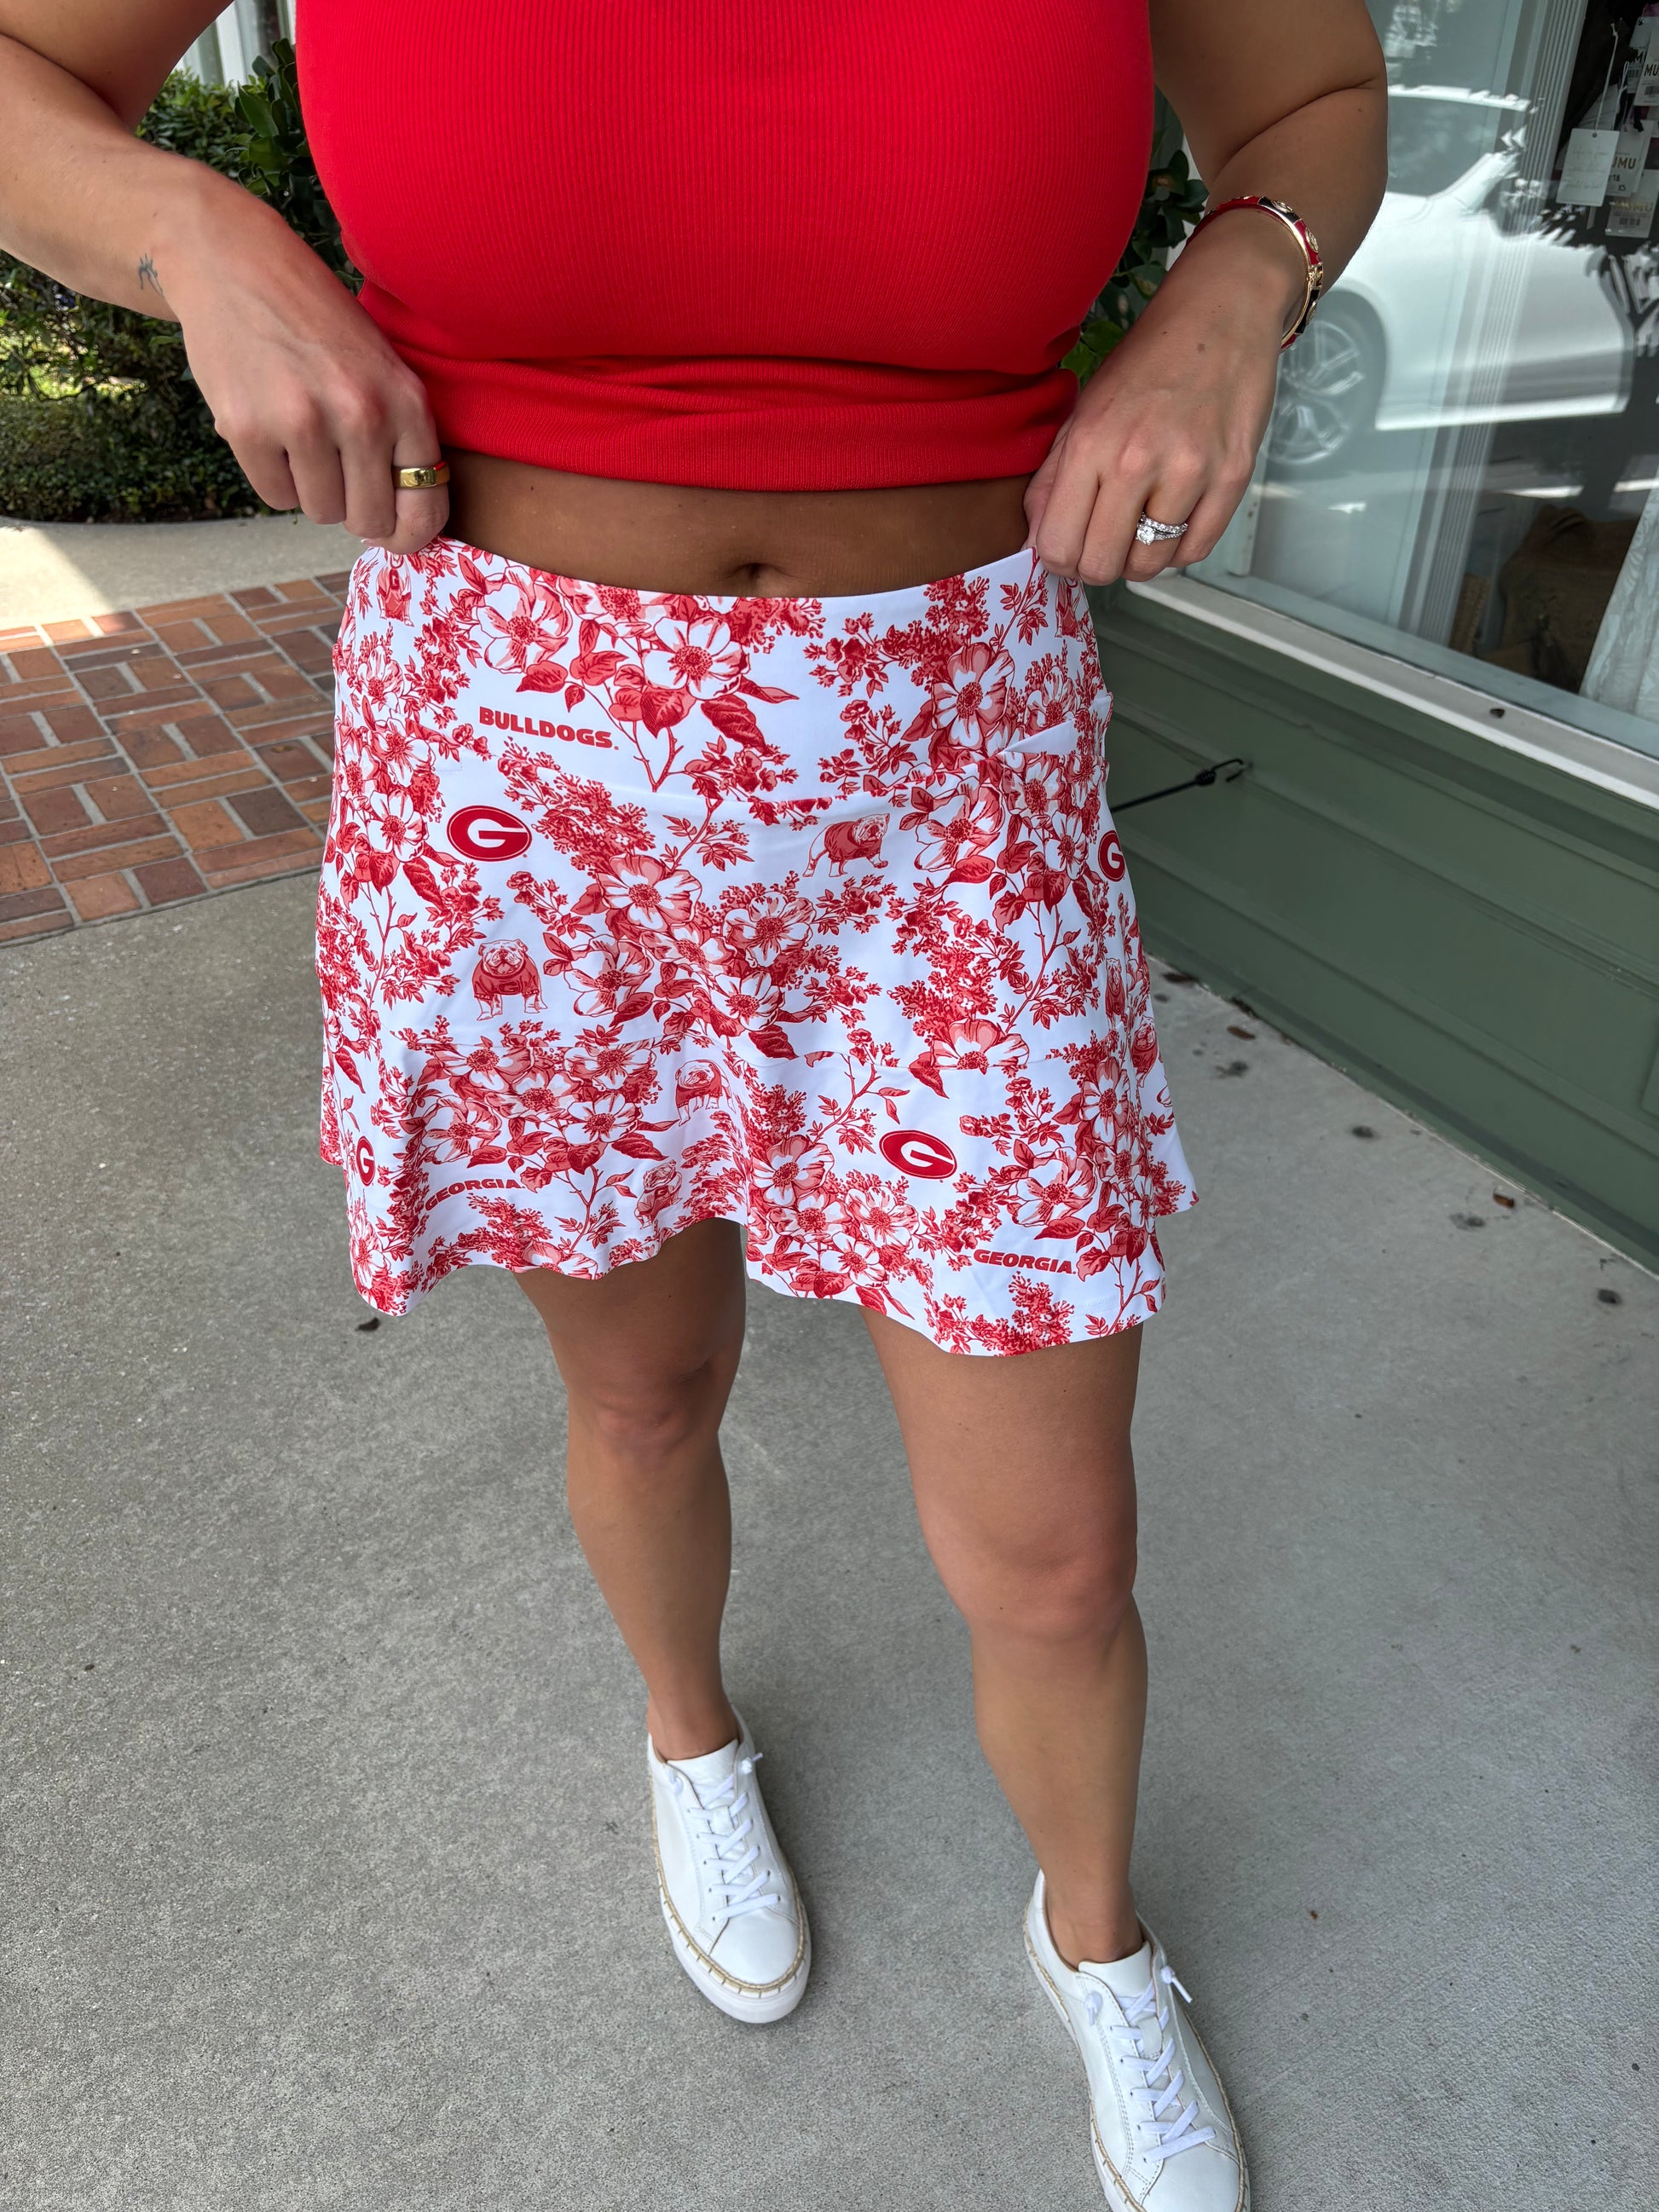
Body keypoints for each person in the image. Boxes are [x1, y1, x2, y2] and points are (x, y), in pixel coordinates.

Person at [0, 4, 1385, 2201]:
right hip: (525, 780)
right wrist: (190, 225)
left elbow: (1310, 104)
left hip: (947, 784)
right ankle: (692, 1737)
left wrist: (1244, 278)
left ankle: (1099, 1943)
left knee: (1055, 1545)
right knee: (648, 1394)